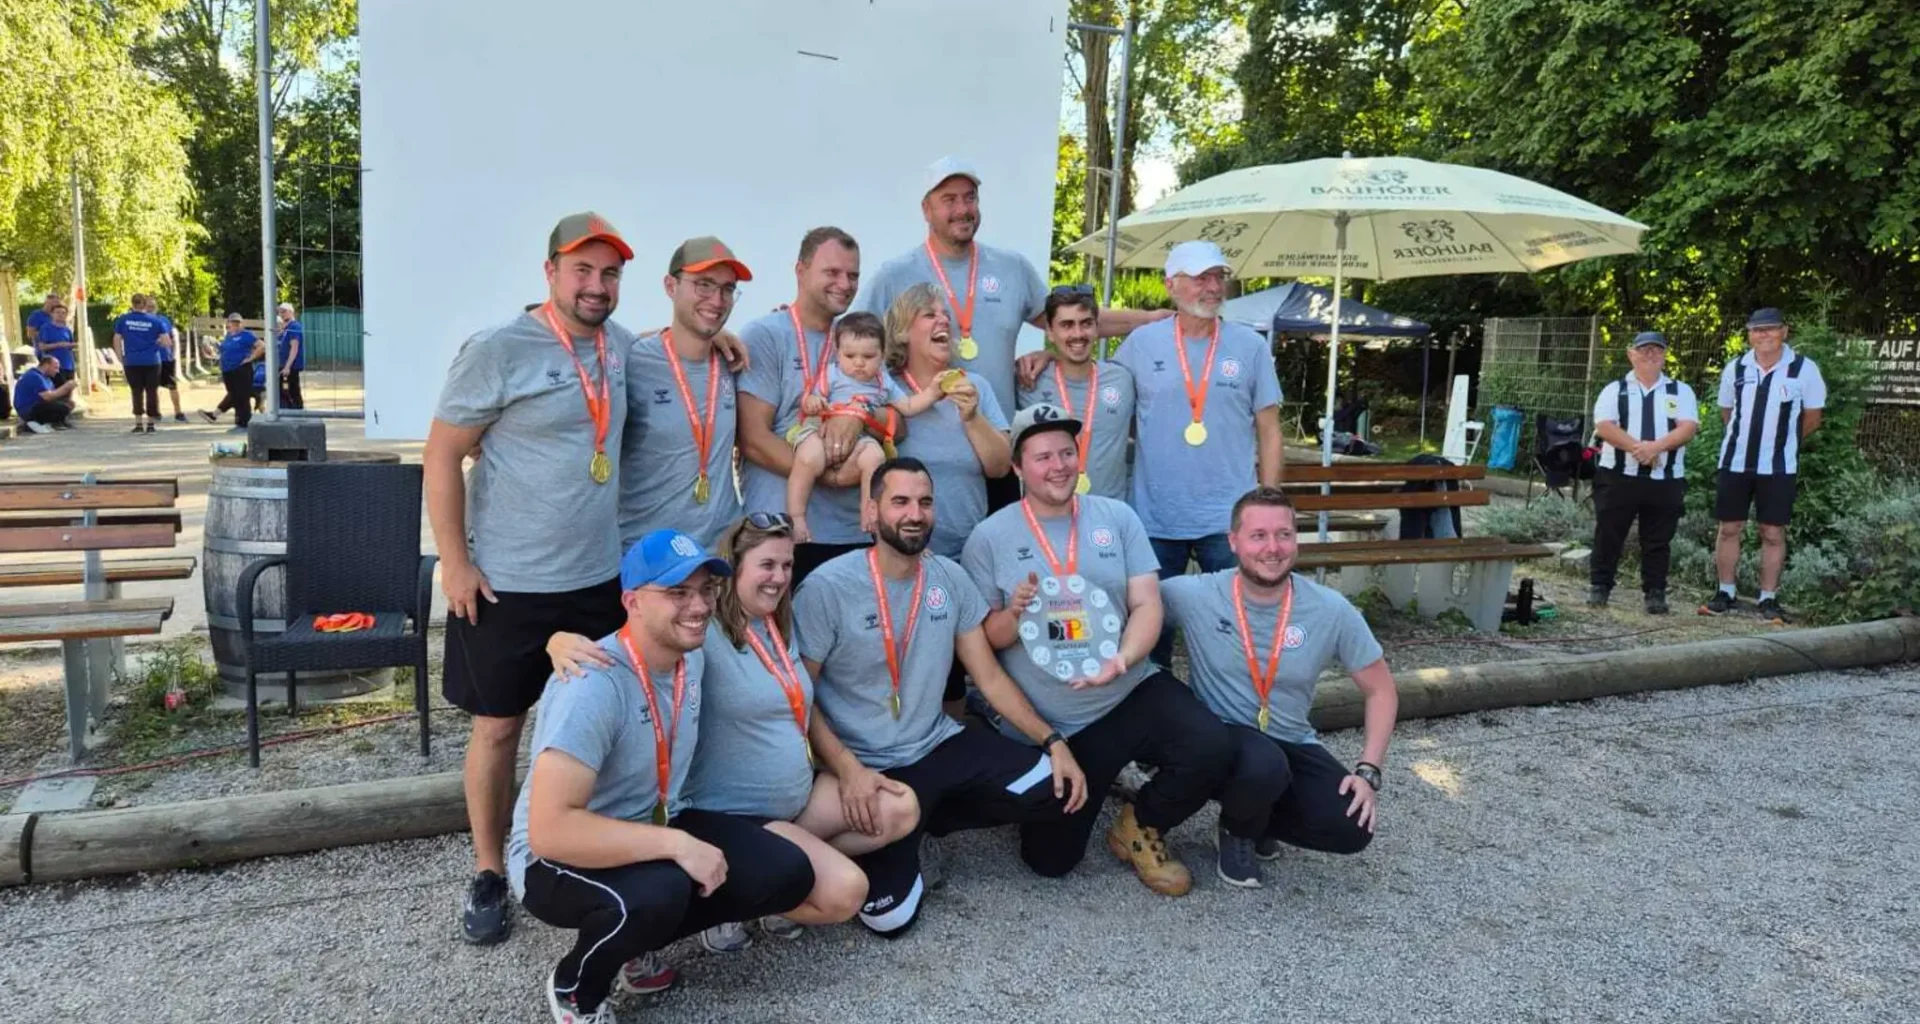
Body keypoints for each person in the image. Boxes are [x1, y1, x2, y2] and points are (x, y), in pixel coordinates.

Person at [547, 514, 919, 956]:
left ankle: (772, 886)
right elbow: (636, 633)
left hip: (793, 802)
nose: (779, 577)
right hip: (733, 811)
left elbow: (801, 703)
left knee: (900, 807)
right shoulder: (702, 633)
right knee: (846, 890)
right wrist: (556, 641)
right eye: (766, 565)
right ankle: (737, 897)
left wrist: (849, 768)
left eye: (786, 565)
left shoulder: (779, 624)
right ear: (734, 569)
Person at [424, 211, 639, 947]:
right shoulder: (499, 349)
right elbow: (441, 454)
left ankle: (587, 846)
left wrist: (729, 339)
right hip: (507, 584)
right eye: (583, 270)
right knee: (499, 728)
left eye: (610, 273)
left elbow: (685, 358)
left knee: (598, 724)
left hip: (598, 580)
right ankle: (489, 871)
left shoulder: (624, 349)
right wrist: (455, 561)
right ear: (550, 272)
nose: (597, 286)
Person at [507, 529, 817, 1024]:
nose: (697, 606)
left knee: (786, 872)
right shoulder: (591, 685)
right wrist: (678, 847)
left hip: (652, 824)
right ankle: (576, 987)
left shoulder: (688, 657)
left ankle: (635, 944)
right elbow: (550, 831)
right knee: (662, 891)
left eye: (706, 590)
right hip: (553, 858)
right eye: (677, 592)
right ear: (631, 601)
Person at [794, 458, 1088, 937]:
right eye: (900, 502)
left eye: (925, 502)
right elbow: (798, 698)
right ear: (872, 512)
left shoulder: (947, 578)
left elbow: (989, 678)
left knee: (1055, 791)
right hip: (868, 765)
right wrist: (847, 770)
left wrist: (1053, 741)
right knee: (889, 920)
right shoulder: (828, 588)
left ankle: (919, 821)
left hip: (936, 744)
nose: (915, 513)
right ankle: (900, 827)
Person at [960, 404, 1231, 895]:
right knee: (1050, 862)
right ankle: (1081, 778)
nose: (1059, 465)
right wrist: (1016, 614)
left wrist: (1123, 659)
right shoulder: (990, 537)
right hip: (1056, 720)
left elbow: (1147, 603)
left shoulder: (1117, 518)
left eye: (1067, 452)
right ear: (1019, 468)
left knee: (1211, 746)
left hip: (1127, 691)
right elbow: (987, 642)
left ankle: (1140, 823)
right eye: (1043, 457)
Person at [855, 157, 1165, 511]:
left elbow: (1068, 321)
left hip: (995, 449)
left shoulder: (1011, 267)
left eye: (970, 198)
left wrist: (1153, 318)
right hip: (924, 451)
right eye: (949, 200)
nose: (962, 209)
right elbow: (851, 341)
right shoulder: (895, 274)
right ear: (926, 209)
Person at [1161, 487, 1398, 889]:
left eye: (1284, 534)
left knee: (1351, 827)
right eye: (1258, 536)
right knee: (1262, 764)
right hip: (1218, 742)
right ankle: (1239, 831)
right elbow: (1130, 606)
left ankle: (1256, 811)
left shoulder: (1330, 608)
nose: (1272, 548)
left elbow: (1382, 691)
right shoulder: (1192, 594)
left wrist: (1368, 770)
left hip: (1291, 739)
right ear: (1233, 542)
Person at [1114, 240, 1285, 666]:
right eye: (1200, 278)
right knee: (1153, 633)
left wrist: (1269, 503)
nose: (1212, 288)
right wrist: (1049, 354)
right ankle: (1158, 716)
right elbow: (1103, 397)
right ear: (1171, 284)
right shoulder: (1141, 344)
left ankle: (1234, 716)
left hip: (1229, 517)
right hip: (1155, 517)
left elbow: (1270, 430)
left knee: (1233, 628)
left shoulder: (1249, 346)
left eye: (1218, 277)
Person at [737, 226, 882, 584]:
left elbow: (896, 418)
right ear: (800, 271)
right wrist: (829, 475)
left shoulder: (859, 338)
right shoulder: (766, 335)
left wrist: (859, 414)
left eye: (853, 275)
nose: (845, 284)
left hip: (852, 532)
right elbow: (753, 438)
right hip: (779, 533)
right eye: (832, 273)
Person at [617, 237, 751, 550]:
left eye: (727, 289)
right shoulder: (632, 361)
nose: (717, 300)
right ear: (670, 286)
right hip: (651, 558)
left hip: (721, 557)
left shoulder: (734, 361)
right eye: (703, 285)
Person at [1705, 308, 1826, 622]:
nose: (1764, 335)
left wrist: (1781, 441)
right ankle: (1725, 592)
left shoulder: (1804, 369)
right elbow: (1727, 412)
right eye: (1757, 330)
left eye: (1771, 329)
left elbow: (1813, 417)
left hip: (1779, 466)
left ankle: (1768, 599)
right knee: (1729, 528)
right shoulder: (1736, 367)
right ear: (1749, 334)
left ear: (1784, 331)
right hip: (1735, 462)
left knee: (1772, 532)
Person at [786, 312, 938, 543]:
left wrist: (932, 393)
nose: (859, 363)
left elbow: (907, 406)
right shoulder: (832, 374)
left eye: (868, 356)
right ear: (837, 353)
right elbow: (808, 400)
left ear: (882, 355)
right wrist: (814, 402)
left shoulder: (882, 381)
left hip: (862, 436)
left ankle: (869, 513)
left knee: (875, 457)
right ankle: (796, 516)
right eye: (850, 355)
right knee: (808, 457)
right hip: (823, 429)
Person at [883, 283, 1010, 559]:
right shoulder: (887, 390)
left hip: (971, 555)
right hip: (904, 555)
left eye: (946, 315)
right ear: (902, 332)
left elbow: (1000, 468)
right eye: (929, 314)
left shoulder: (976, 385)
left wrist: (973, 418)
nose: (943, 320)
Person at [1588, 331, 1700, 615]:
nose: (1650, 355)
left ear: (1664, 355)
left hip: (1666, 478)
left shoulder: (1680, 390)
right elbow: (1605, 427)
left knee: (1658, 539)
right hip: (1618, 475)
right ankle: (1600, 587)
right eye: (1644, 350)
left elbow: (1687, 427)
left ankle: (1655, 592)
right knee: (1608, 534)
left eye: (1657, 350)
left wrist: (1656, 448)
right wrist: (1641, 450)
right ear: (1631, 354)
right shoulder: (1615, 389)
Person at [1015, 286, 1136, 499]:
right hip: (1046, 519)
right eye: (1067, 325)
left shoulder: (1123, 379)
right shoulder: (1028, 378)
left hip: (1108, 516)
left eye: (1086, 324)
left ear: (1097, 328)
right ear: (1050, 332)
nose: (1078, 334)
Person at [112, 293, 172, 433]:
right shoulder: (156, 321)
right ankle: (151, 424)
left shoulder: (123, 320)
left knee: (136, 391)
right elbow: (166, 342)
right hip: (152, 360)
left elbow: (117, 339)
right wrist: (156, 343)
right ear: (145, 305)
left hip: (132, 361)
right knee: (152, 391)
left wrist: (120, 357)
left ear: (132, 304)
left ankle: (138, 423)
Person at [202, 312, 264, 430]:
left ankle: (244, 422)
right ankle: (240, 420)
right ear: (228, 323)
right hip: (227, 370)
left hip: (241, 369)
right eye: (232, 322)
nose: (235, 325)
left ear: (241, 323)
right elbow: (222, 350)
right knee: (235, 395)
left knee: (242, 396)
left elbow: (261, 346)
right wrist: (211, 349)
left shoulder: (247, 335)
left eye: (237, 322)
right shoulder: (228, 336)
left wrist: (251, 358)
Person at [144, 296, 188, 422]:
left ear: (156, 307)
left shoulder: (164, 320)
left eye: (153, 306)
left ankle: (178, 412)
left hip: (166, 358)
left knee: (172, 386)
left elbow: (170, 337)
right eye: (148, 306)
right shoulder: (143, 322)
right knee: (152, 387)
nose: (151, 308)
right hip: (151, 359)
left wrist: (173, 353)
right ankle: (156, 412)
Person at [13, 354, 77, 433]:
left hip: (39, 405)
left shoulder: (46, 378)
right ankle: (31, 423)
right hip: (29, 409)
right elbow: (47, 397)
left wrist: (67, 392)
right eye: (55, 368)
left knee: (69, 403)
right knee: (62, 407)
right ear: (46, 365)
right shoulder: (34, 376)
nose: (57, 371)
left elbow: (53, 395)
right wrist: (65, 387)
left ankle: (53, 422)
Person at [33, 303, 78, 387]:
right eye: (57, 312)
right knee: (57, 392)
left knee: (68, 391)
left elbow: (71, 345)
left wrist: (76, 345)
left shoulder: (67, 330)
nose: (60, 315)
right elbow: (42, 347)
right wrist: (59, 345)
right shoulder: (45, 328)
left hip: (68, 366)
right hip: (53, 367)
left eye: (63, 313)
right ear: (52, 314)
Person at [275, 302, 305, 410]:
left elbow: (294, 347)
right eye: (280, 312)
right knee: (283, 392)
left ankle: (297, 412)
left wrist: (287, 366)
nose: (282, 314)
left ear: (291, 312)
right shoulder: (285, 329)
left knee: (291, 391)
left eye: (284, 311)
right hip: (283, 365)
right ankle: (286, 411)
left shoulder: (294, 326)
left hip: (290, 366)